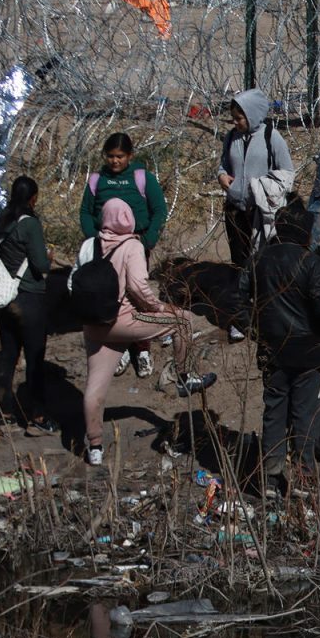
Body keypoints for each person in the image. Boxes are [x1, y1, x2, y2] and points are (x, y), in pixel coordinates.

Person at [78, 199, 215, 466]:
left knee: (94, 390)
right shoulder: (131, 246)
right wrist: (160, 307)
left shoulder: (89, 244)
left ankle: (94, 446)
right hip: (123, 319)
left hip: (94, 324)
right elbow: (139, 288)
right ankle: (183, 376)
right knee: (184, 320)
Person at [239, 207, 320, 497]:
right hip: (309, 350)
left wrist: (253, 327)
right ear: (305, 232)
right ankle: (304, 480)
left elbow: (239, 297)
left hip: (272, 348)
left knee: (274, 411)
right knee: (304, 414)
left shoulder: (257, 259)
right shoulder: (309, 261)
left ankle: (271, 478)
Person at [79, 132, 171, 378]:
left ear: (130, 156)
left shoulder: (142, 178)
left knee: (138, 294)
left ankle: (142, 348)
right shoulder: (98, 180)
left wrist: (148, 239)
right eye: (110, 156)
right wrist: (94, 239)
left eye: (120, 156)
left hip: (136, 245)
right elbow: (86, 212)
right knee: (111, 295)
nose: (115, 161)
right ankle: (117, 346)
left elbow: (159, 209)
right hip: (105, 248)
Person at [218, 88, 293, 341]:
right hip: (235, 210)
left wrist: (262, 188)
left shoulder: (272, 137)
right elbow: (223, 165)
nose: (236, 123)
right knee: (239, 264)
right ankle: (240, 319)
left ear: (252, 114)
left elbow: (287, 173)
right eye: (234, 118)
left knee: (262, 264)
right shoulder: (231, 137)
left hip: (262, 213)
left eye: (240, 118)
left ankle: (267, 316)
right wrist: (222, 177)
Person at [0, 176, 55, 431]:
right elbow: (40, 264)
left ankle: (3, 412)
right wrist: (49, 258)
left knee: (8, 354)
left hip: (3, 297)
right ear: (33, 198)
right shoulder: (30, 225)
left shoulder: (0, 221)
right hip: (29, 297)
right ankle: (37, 417)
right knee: (35, 357)